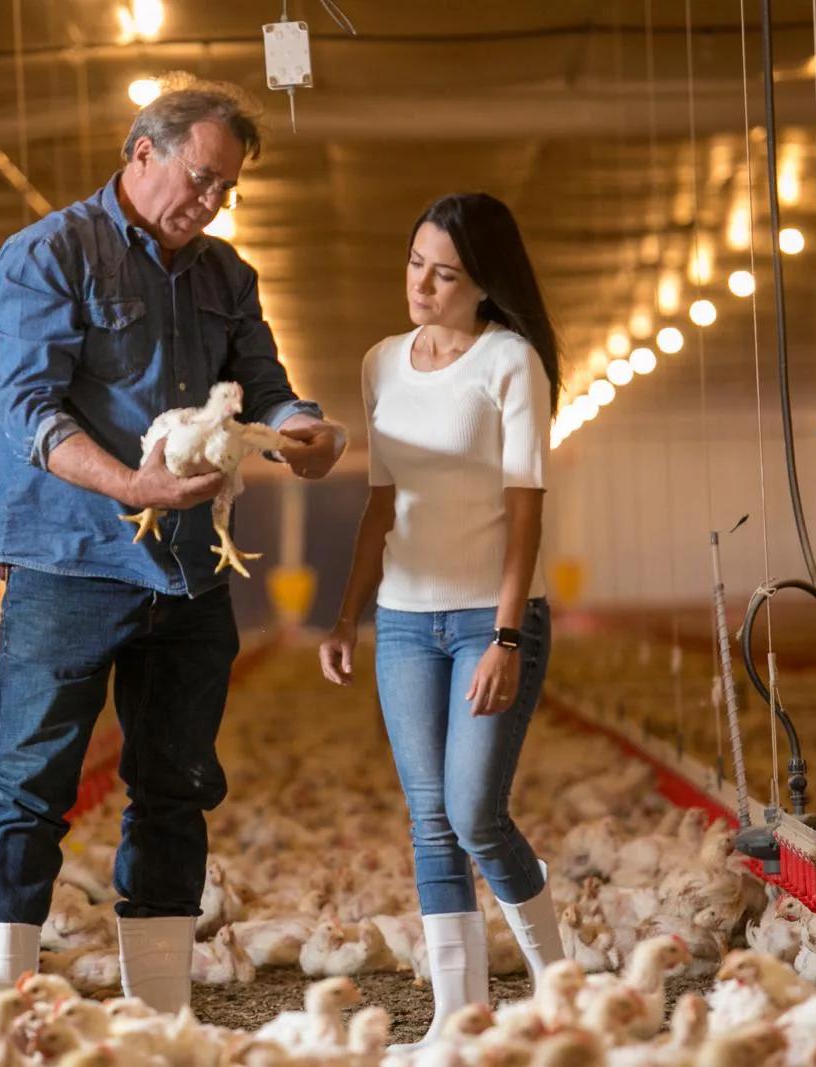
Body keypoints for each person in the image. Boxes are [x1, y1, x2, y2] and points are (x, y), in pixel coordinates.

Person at [0, 77, 347, 1011]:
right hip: (68, 560)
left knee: (176, 787)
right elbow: (30, 408)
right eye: (202, 178)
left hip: (185, 568)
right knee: (30, 787)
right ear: (144, 152)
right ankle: (2, 1013)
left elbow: (265, 385)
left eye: (226, 189)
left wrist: (305, 429)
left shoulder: (226, 276)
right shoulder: (49, 253)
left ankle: (162, 1010)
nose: (213, 201)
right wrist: (130, 485)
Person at [319, 192, 564, 1048]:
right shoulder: (382, 362)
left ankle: (558, 983)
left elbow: (525, 510)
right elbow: (380, 505)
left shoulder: (510, 362)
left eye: (446, 272)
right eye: (417, 261)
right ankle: (459, 1019)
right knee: (428, 819)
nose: (423, 283)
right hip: (402, 622)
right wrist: (346, 615)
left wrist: (504, 634)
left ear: (483, 284)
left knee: (474, 814)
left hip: (487, 623)